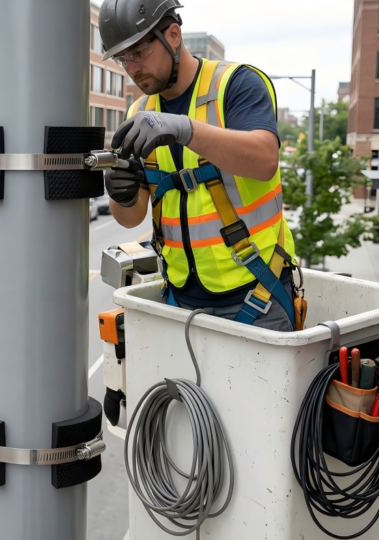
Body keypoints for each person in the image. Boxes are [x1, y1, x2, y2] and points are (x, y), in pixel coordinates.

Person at [99, 0, 299, 332]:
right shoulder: (139, 111)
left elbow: (265, 161)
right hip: (180, 300)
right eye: (123, 59)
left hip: (258, 295)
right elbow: (132, 217)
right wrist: (121, 194)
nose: (132, 69)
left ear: (173, 35)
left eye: (138, 54)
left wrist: (185, 129)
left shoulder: (236, 85)